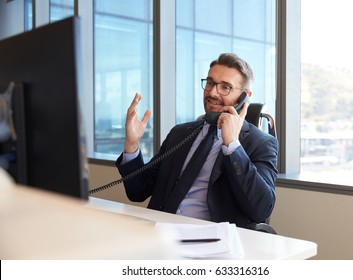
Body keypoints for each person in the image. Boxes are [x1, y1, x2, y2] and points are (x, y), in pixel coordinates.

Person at [116, 53, 278, 228]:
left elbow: (261, 209)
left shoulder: (260, 143)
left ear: (244, 97)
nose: (213, 92)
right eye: (210, 83)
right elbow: (137, 191)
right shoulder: (180, 133)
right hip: (160, 234)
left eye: (225, 87)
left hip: (212, 241)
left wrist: (232, 145)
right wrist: (132, 145)